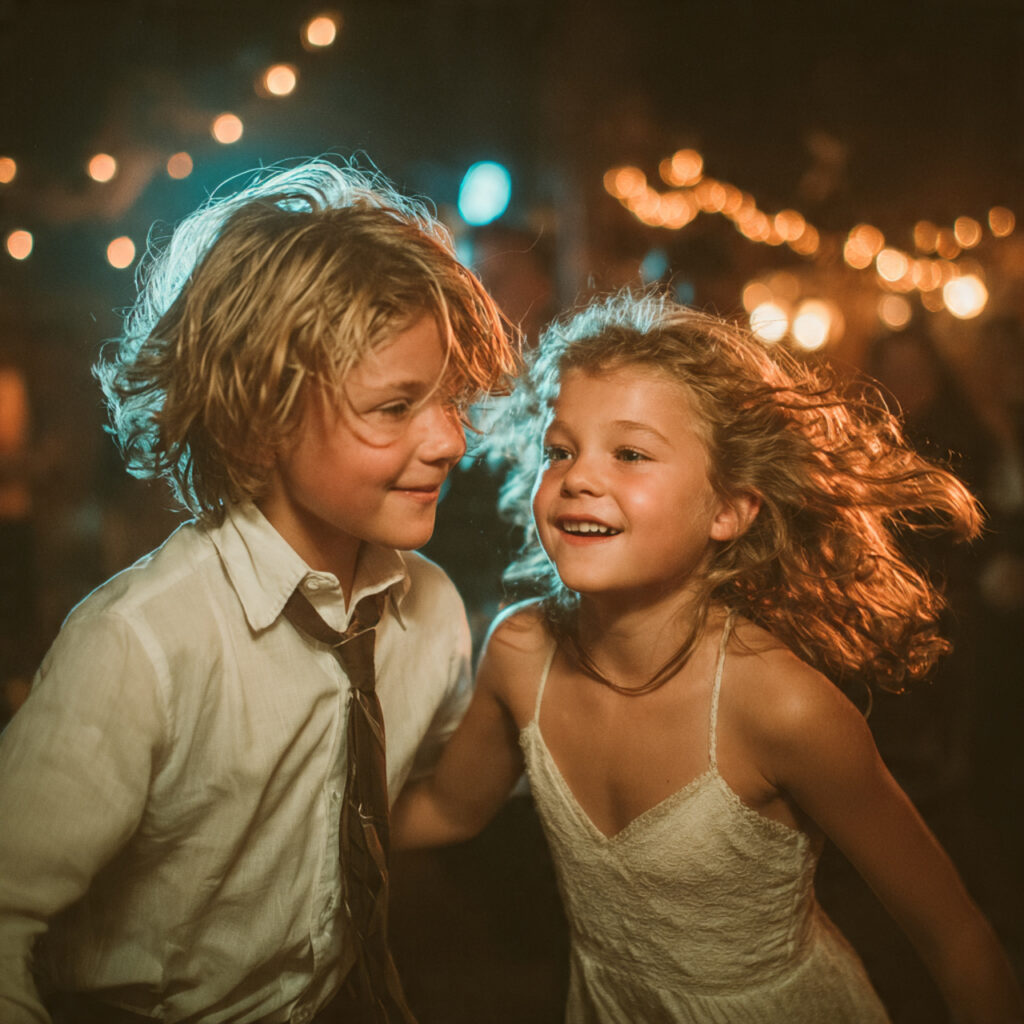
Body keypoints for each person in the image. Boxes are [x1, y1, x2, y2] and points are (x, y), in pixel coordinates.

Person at [393, 293, 1024, 1023]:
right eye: (560, 450)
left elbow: (957, 941)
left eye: (629, 454)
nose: (578, 477)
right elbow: (446, 809)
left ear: (729, 508)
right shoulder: (520, 652)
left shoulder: (781, 706)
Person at [0, 158, 517, 1023]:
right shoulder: (143, 643)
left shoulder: (426, 611)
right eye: (395, 408)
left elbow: (400, 806)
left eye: (450, 399)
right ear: (261, 411)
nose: (450, 440)